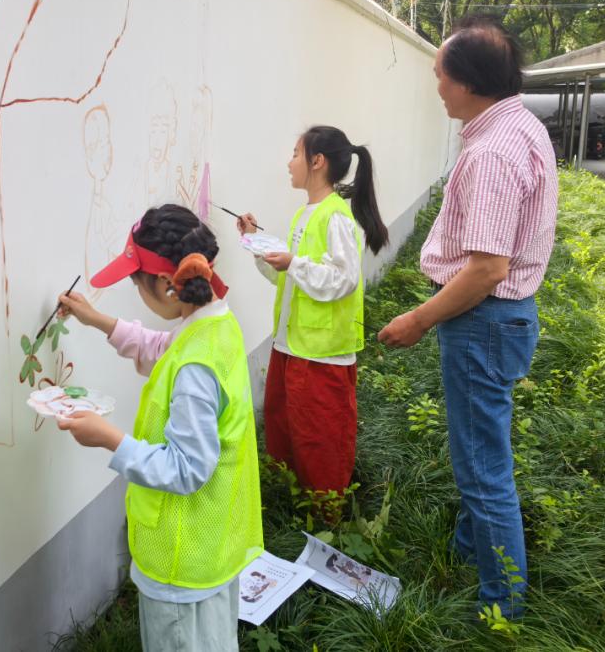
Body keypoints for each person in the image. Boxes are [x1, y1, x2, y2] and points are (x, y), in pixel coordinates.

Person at [378, 16, 558, 617]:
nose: (436, 87)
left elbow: (486, 270)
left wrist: (419, 319)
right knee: (480, 452)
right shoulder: (519, 125)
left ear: (468, 82)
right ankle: (468, 551)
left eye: (439, 75)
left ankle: (502, 607)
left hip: (483, 319)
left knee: (483, 468)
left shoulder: (492, 153)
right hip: (501, 319)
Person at [57, 204, 263, 652]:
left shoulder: (195, 367)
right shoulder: (214, 326)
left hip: (180, 561)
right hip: (210, 545)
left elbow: (187, 468)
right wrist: (98, 321)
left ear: (168, 284)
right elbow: (163, 349)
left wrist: (110, 439)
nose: (136, 290)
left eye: (137, 282)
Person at [237, 126, 389, 496]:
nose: (289, 162)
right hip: (292, 346)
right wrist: (256, 243)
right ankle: (292, 504)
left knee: (320, 441)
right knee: (286, 430)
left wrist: (293, 263)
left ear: (317, 161)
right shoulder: (305, 214)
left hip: (322, 354)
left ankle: (326, 513)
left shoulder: (335, 217)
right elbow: (290, 279)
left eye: (295, 153)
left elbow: (344, 279)